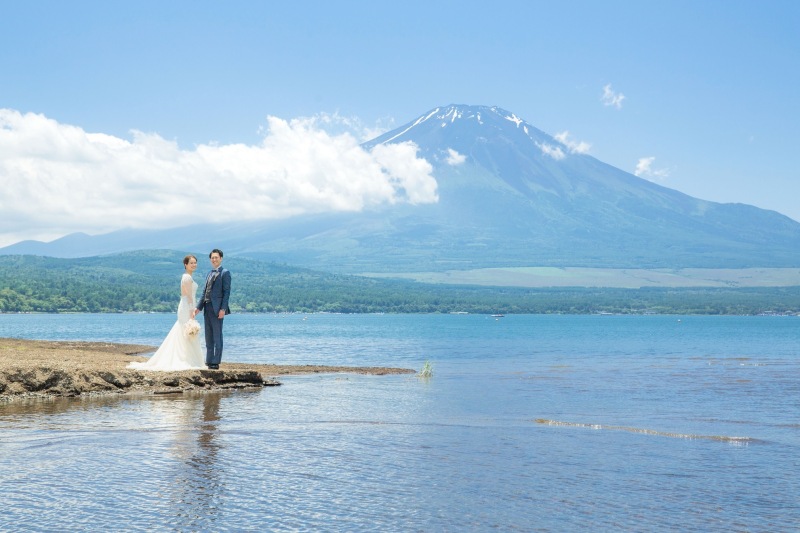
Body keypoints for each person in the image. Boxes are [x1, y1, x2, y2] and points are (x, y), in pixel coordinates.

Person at [128, 255, 206, 371]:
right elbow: (189, 296)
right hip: (186, 307)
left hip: (186, 305)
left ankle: (186, 358)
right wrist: (192, 312)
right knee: (184, 331)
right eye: (191, 263)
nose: (194, 265)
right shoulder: (187, 278)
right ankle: (184, 359)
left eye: (195, 263)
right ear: (185, 264)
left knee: (183, 331)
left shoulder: (187, 277)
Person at [192, 249, 231, 370]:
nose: (214, 260)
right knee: (208, 335)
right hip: (207, 307)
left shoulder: (225, 273)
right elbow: (204, 292)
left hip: (218, 308)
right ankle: (209, 360)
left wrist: (223, 309)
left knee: (217, 335)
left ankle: (216, 361)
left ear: (221, 258)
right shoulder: (209, 273)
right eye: (212, 258)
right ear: (210, 259)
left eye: (216, 257)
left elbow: (226, 292)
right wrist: (198, 307)